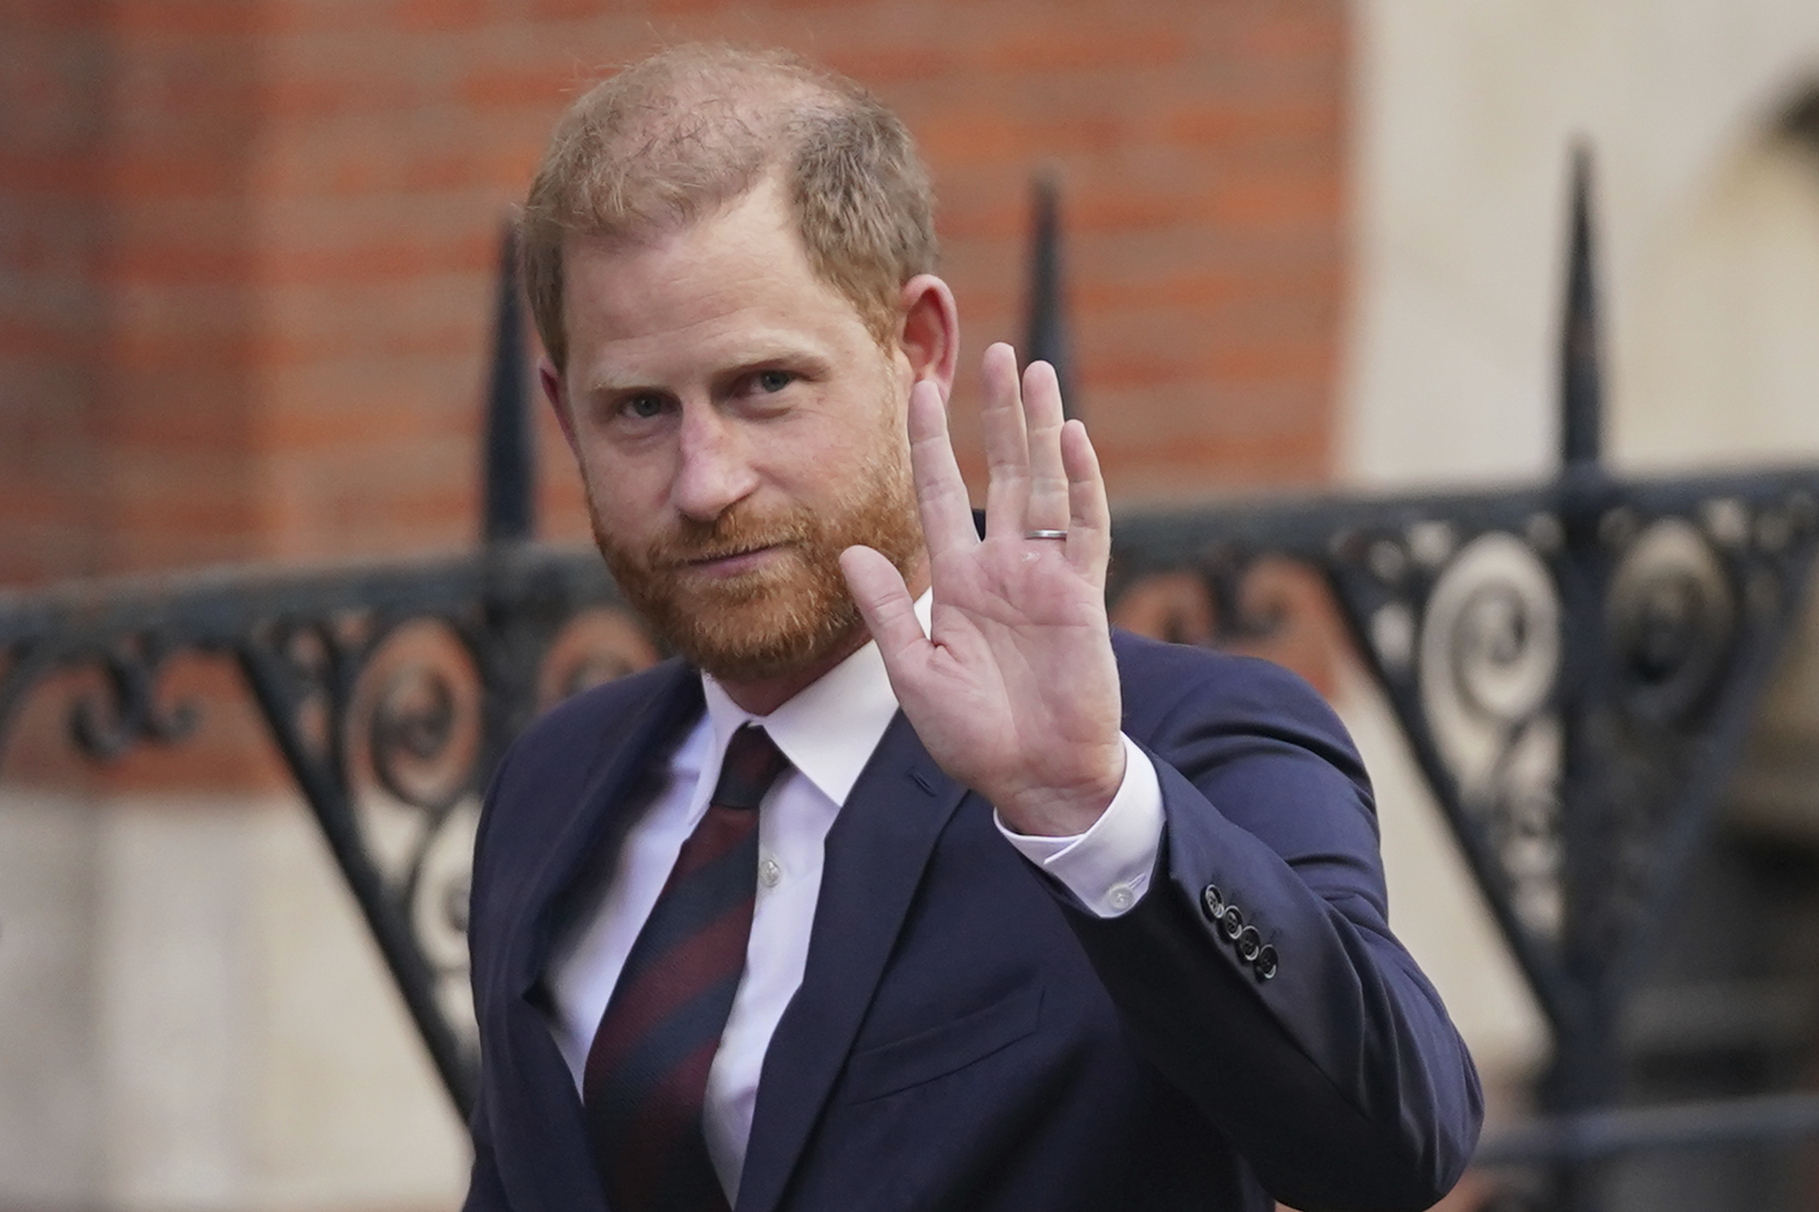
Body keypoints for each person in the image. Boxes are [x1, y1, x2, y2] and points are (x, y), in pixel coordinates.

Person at [463, 43, 1482, 1212]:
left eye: (766, 385)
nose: (705, 482)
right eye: (640, 408)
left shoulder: (1183, 746)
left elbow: (1394, 1146)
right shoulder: (554, 782)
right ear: (562, 413)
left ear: (919, 348)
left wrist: (1087, 811)